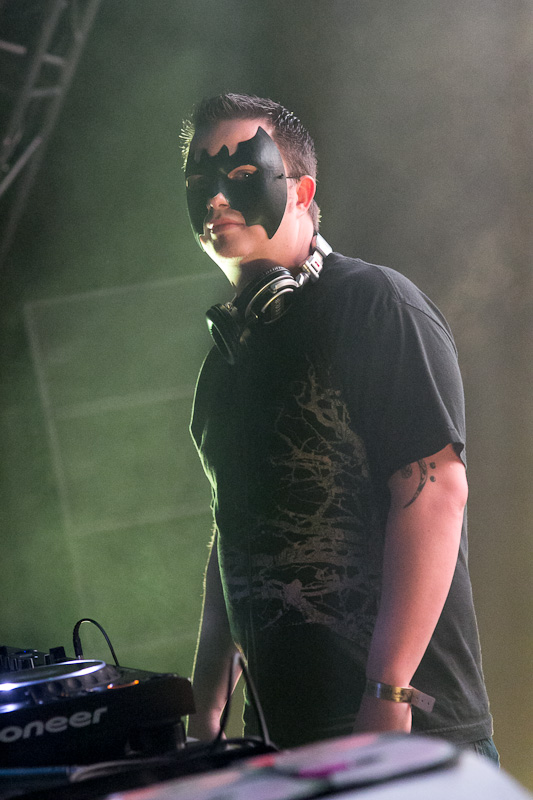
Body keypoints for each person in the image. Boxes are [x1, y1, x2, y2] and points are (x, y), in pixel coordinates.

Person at [182, 93, 496, 760]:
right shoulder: (226, 365)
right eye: (199, 181)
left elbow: (435, 491)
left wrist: (389, 693)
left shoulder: (375, 304)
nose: (215, 198)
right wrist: (205, 708)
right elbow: (232, 533)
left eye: (242, 175)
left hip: (407, 734)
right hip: (284, 743)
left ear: (302, 193)